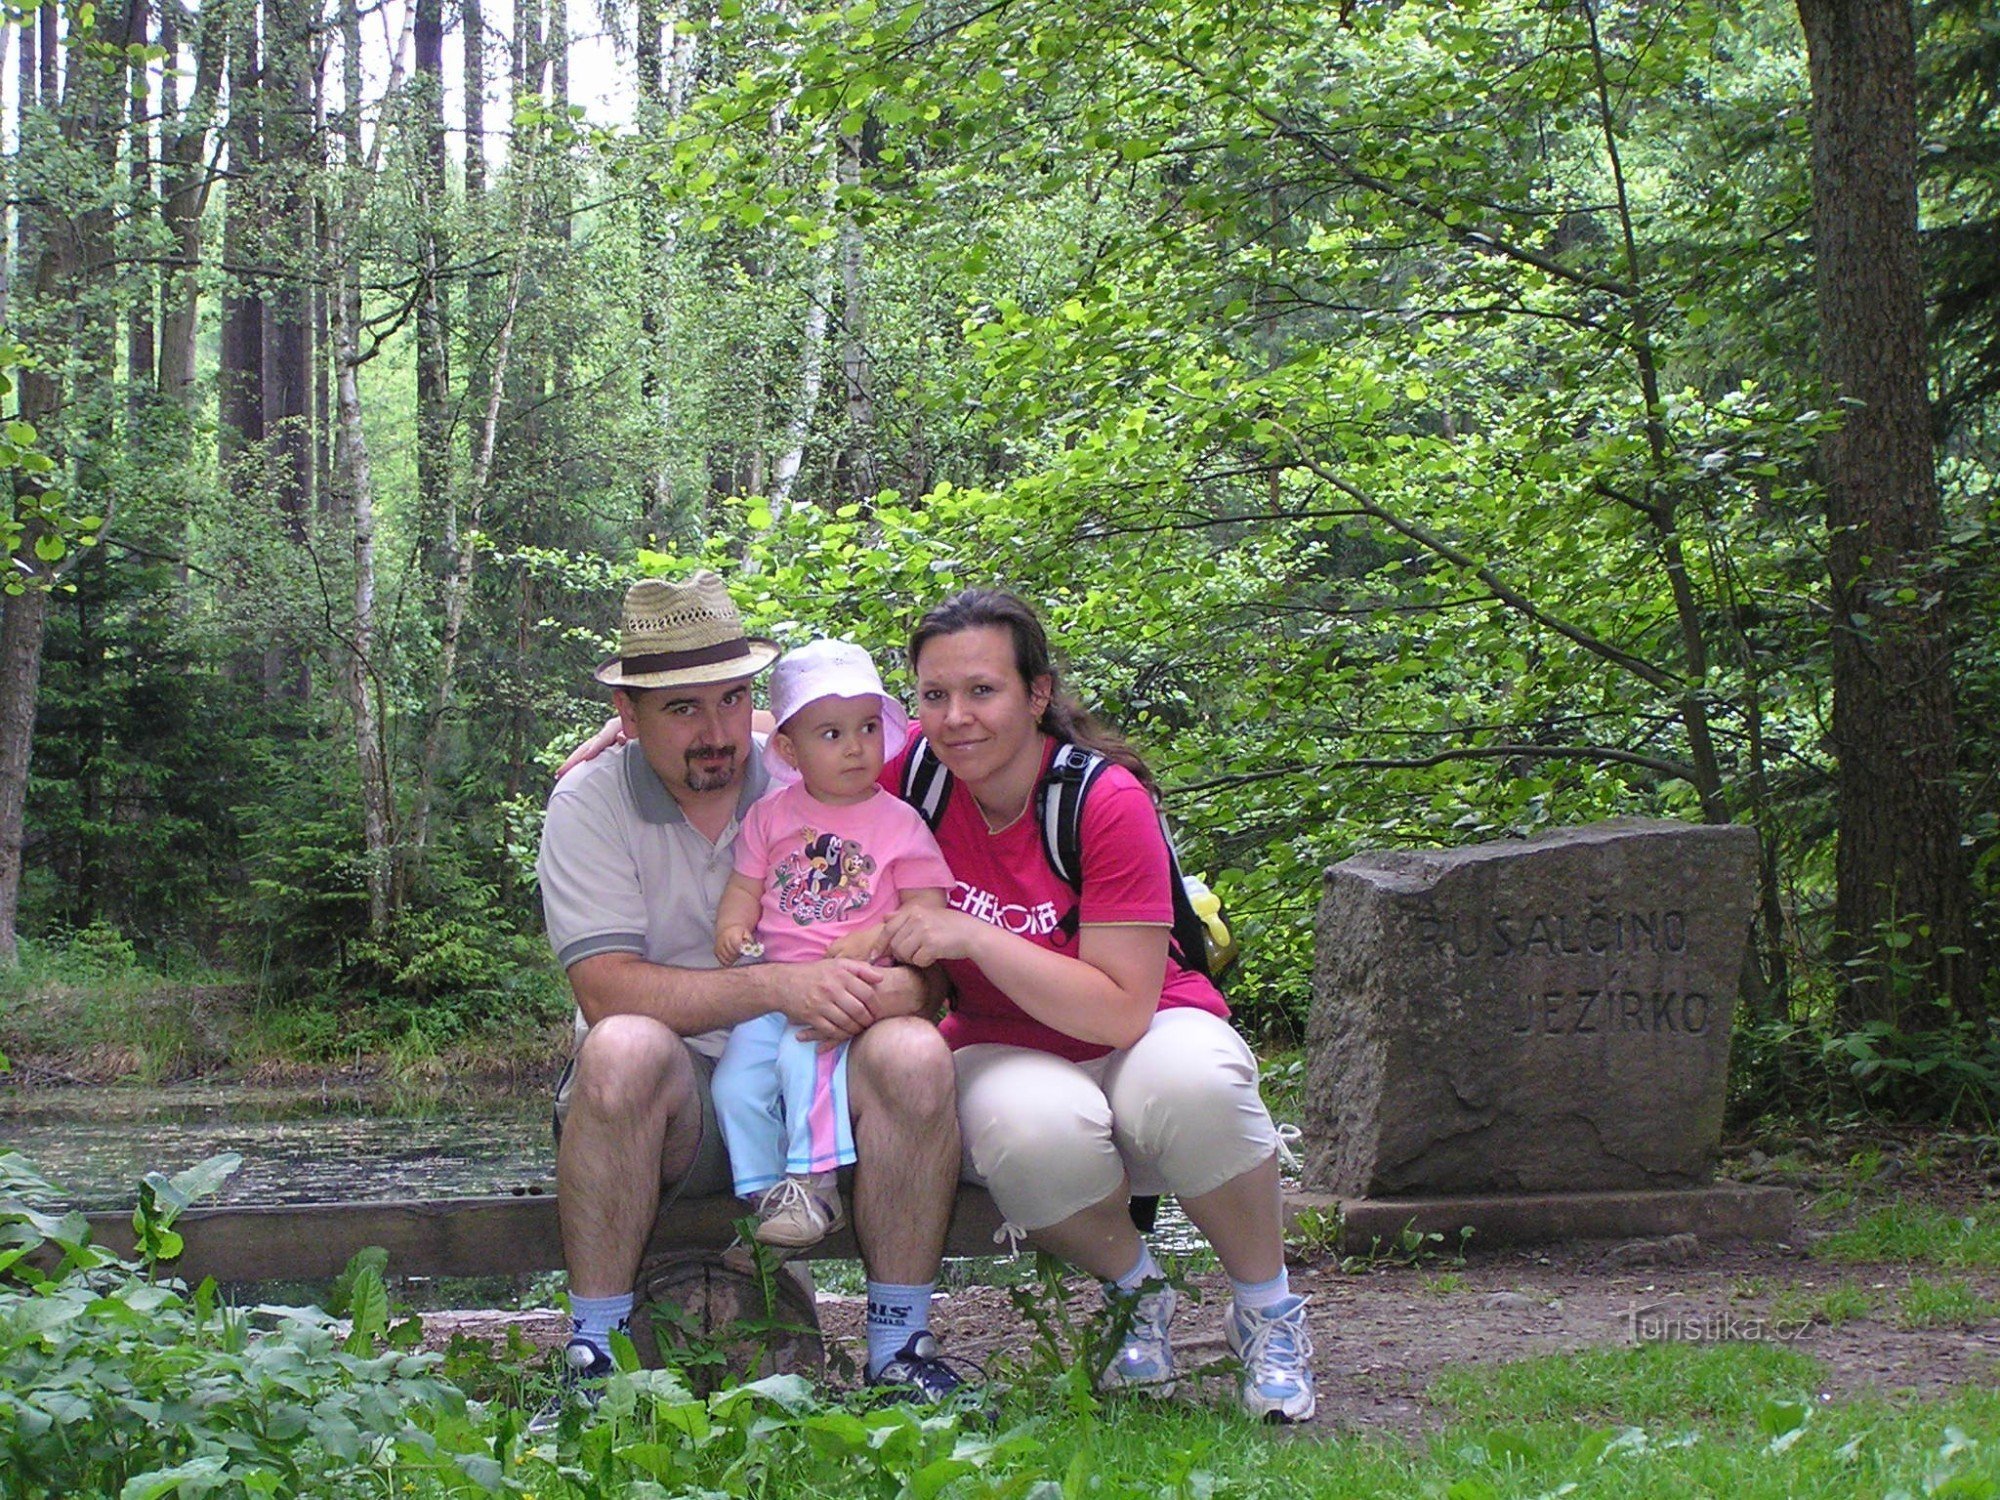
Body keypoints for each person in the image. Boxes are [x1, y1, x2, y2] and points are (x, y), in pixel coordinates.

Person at [877, 589, 1316, 1423]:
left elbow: (1119, 1012)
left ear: (1037, 693)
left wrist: (969, 934)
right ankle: (1134, 1292)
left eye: (982, 691)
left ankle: (1266, 1311)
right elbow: (803, 745)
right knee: (1031, 1130)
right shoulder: (914, 784)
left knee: (1201, 1085)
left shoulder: (1101, 800)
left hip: (1145, 1023)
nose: (956, 718)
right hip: (1001, 1042)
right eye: (933, 696)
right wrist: (626, 734)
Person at [534, 573, 966, 1420]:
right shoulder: (589, 803)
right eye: (682, 708)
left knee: (916, 1048)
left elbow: (932, 965)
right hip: (676, 1103)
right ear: (627, 717)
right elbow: (605, 985)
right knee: (618, 1045)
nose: (718, 732)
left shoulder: (814, 767)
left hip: (825, 1071)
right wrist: (776, 984)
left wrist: (882, 991)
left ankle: (900, 1352)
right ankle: (591, 1363)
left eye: (734, 700)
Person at [710, 638, 954, 1250]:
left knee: (803, 1060)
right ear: (789, 749)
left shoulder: (900, 823)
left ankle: (815, 1186)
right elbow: (746, 884)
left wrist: (877, 935)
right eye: (832, 734)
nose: (855, 747)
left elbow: (929, 909)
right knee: (734, 1082)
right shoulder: (770, 816)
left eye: (868, 728)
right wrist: (732, 928)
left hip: (848, 988)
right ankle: (766, 1188)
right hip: (775, 986)